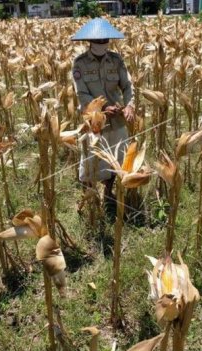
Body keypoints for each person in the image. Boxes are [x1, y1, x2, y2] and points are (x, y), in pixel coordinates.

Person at [71, 18, 135, 218]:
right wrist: (104, 108)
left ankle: (109, 193)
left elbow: (127, 86)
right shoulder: (79, 64)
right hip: (95, 122)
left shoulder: (116, 60)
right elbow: (82, 95)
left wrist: (130, 105)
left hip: (117, 121)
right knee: (91, 162)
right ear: (90, 41)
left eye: (105, 40)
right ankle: (90, 201)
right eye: (98, 40)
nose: (102, 43)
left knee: (118, 161)